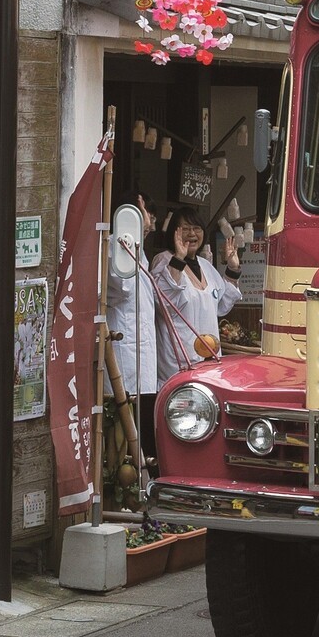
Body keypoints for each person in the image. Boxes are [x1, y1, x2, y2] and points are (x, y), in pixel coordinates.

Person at [151, 206, 242, 399]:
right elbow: (164, 303)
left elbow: (222, 305)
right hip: (178, 362)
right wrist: (178, 259)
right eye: (185, 228)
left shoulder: (206, 266)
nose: (192, 234)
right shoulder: (164, 260)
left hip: (208, 360)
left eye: (196, 228)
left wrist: (233, 269)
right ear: (174, 232)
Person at [104, 192, 158, 460]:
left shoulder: (138, 249)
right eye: (147, 211)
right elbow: (122, 286)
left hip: (141, 352)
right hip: (126, 354)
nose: (151, 219)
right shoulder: (117, 243)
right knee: (121, 432)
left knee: (141, 421)